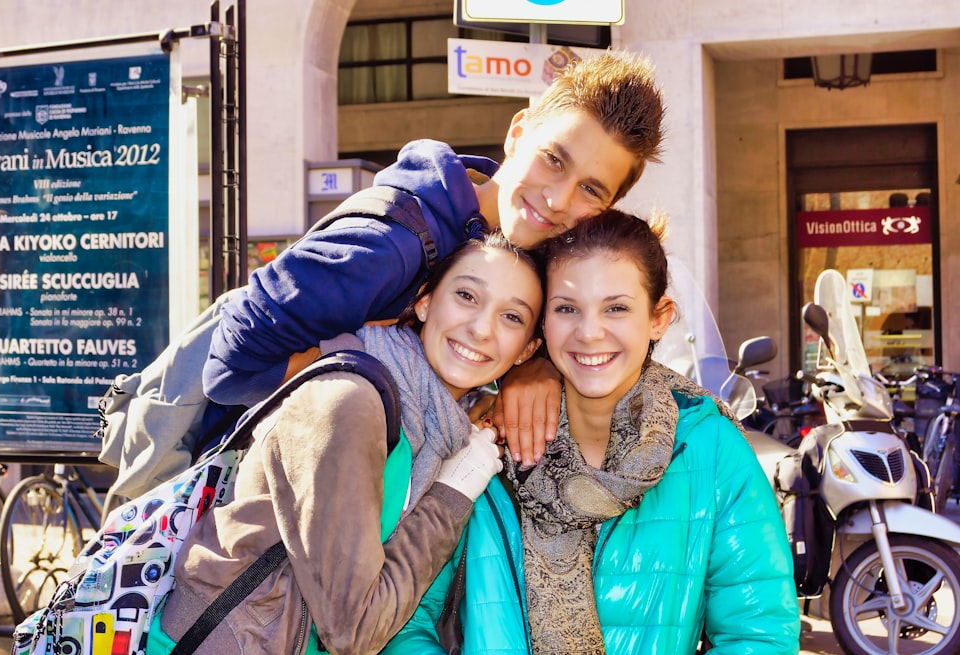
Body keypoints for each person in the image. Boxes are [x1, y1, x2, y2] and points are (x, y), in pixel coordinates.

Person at [202, 51, 665, 464]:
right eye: (554, 160)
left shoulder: (541, 258)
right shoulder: (390, 246)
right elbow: (229, 365)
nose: (559, 198)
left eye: (590, 189)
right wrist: (364, 375)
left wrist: (531, 367)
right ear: (518, 133)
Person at [384, 210, 801, 654]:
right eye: (566, 309)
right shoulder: (484, 439)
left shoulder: (707, 445)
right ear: (542, 325)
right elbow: (407, 621)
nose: (589, 332)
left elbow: (760, 635)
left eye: (616, 308)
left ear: (659, 318)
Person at [148, 232, 545, 655]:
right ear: (425, 301)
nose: (482, 328)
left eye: (512, 318)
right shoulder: (347, 404)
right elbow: (354, 631)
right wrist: (452, 495)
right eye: (467, 295)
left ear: (527, 350)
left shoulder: (450, 423)